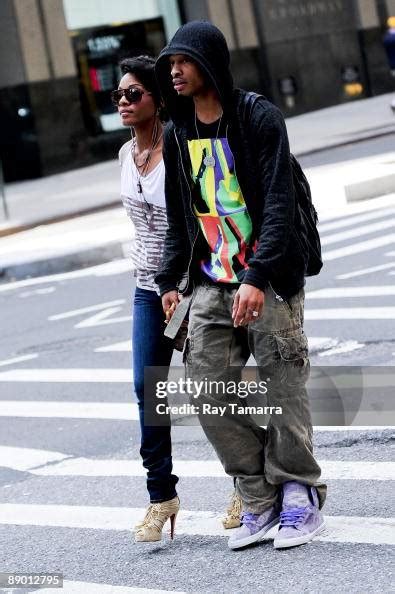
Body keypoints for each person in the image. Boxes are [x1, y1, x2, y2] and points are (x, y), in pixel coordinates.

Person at [154, 21, 327, 550]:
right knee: (206, 391)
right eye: (169, 65)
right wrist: (170, 279)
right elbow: (182, 215)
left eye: (183, 61)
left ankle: (299, 490)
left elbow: (277, 203)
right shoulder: (177, 131)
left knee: (282, 387)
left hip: (268, 277)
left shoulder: (257, 117)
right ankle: (258, 495)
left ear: (209, 63)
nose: (175, 72)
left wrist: (257, 275)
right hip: (210, 280)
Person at [113, 56, 179, 542]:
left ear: (156, 98)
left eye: (134, 94)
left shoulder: (175, 145)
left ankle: (248, 482)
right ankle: (161, 495)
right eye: (118, 95)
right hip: (145, 286)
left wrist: (176, 283)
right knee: (147, 388)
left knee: (217, 384)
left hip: (186, 285)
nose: (123, 101)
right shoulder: (123, 155)